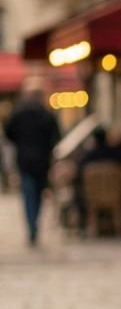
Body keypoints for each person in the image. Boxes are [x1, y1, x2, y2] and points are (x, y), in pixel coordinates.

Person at [4, 81, 61, 246]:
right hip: (42, 160)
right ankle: (34, 222)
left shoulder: (18, 114)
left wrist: (21, 144)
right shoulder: (47, 115)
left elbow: (9, 134)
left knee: (29, 193)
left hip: (24, 159)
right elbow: (56, 137)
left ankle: (32, 225)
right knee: (37, 193)